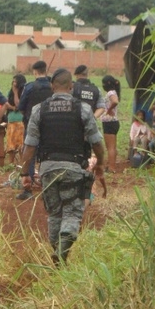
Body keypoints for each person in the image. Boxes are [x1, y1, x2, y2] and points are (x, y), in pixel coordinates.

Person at [19, 68, 106, 265]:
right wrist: (100, 163)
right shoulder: (83, 109)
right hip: (74, 168)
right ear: (71, 87)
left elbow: (29, 146)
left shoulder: (39, 110)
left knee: (54, 213)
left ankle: (58, 255)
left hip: (48, 169)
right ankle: (63, 246)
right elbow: (97, 143)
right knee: (73, 212)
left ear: (52, 86)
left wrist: (24, 173)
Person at [16, 60, 53, 200]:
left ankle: (28, 190)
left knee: (29, 156)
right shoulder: (52, 87)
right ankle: (48, 188)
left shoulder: (30, 87)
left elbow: (21, 106)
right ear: (45, 70)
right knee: (47, 156)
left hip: (32, 125)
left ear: (35, 72)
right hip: (49, 126)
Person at [100, 75, 121, 173]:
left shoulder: (110, 93)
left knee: (110, 147)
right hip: (113, 122)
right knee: (112, 147)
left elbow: (115, 102)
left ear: (107, 84)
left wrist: (108, 110)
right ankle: (110, 165)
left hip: (109, 122)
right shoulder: (114, 92)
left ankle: (111, 167)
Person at [5, 74, 26, 165]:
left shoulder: (24, 92)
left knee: (21, 144)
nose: (13, 83)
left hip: (20, 121)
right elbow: (7, 103)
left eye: (15, 81)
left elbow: (18, 105)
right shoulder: (10, 92)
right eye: (13, 81)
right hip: (11, 120)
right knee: (11, 143)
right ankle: (11, 163)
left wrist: (16, 92)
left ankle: (22, 163)